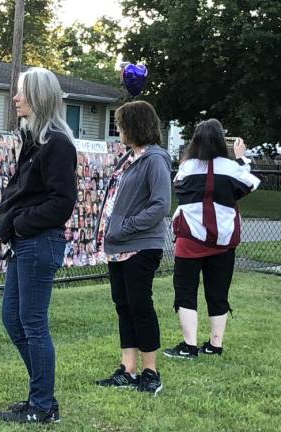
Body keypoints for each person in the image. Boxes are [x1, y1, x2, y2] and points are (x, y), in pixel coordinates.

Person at [0, 68, 77, 424]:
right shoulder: (35, 139)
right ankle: (39, 395)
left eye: (21, 92)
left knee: (33, 323)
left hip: (39, 243)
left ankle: (43, 405)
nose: (15, 98)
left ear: (38, 97)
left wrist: (21, 224)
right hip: (27, 243)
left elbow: (63, 202)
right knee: (13, 318)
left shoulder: (57, 143)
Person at [163, 119, 260, 359]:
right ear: (220, 140)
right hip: (223, 239)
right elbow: (249, 184)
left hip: (190, 238)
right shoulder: (230, 167)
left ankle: (189, 345)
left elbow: (180, 188)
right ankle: (215, 345)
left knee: (185, 290)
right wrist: (240, 159)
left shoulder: (187, 168)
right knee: (218, 292)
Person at [93, 101, 171, 395]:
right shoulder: (128, 158)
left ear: (136, 125)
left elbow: (161, 204)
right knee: (123, 305)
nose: (118, 129)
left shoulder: (155, 159)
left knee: (140, 305)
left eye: (122, 123)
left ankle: (151, 372)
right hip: (118, 246)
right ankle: (128, 370)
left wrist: (126, 227)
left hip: (140, 246)